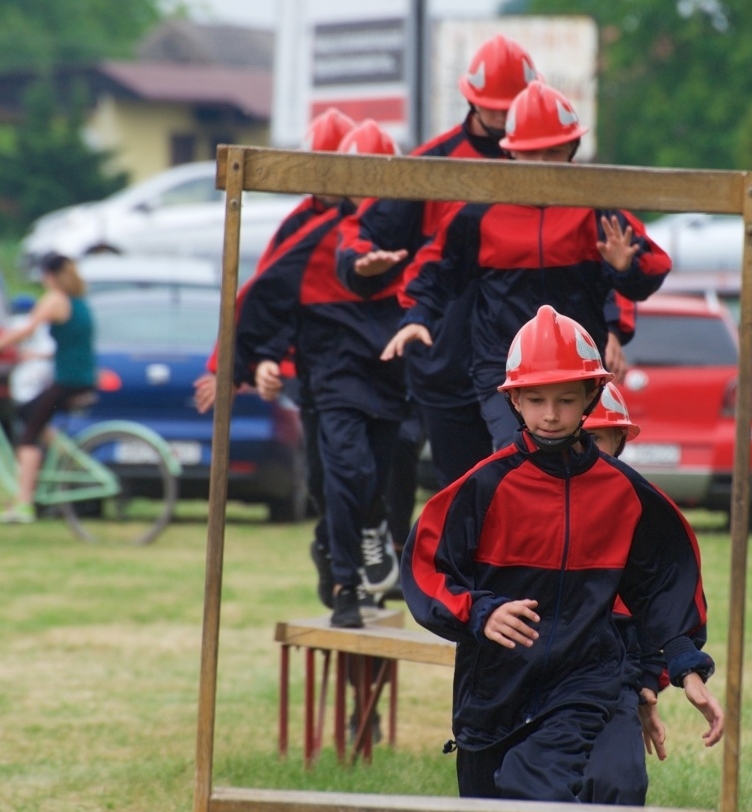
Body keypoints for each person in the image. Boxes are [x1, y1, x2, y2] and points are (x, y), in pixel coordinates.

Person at [403, 306, 724, 812]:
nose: (551, 414)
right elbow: (426, 569)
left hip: (583, 681)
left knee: (538, 793)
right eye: (537, 400)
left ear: (590, 398)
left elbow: (665, 582)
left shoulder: (626, 494)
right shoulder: (482, 487)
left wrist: (685, 665)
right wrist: (480, 610)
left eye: (567, 399)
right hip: (491, 689)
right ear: (515, 403)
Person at [383, 81, 672, 449]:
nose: (543, 166)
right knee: (519, 457)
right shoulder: (478, 212)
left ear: (572, 149)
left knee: (582, 468)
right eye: (532, 154)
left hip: (578, 371)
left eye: (553, 152)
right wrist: (417, 317)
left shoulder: (598, 210)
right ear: (510, 153)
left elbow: (654, 268)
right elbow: (434, 270)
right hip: (503, 368)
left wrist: (624, 268)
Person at [336, 34, 538, 491]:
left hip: (526, 364)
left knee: (528, 488)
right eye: (496, 111)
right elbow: (362, 230)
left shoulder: (551, 163)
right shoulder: (433, 164)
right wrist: (360, 264)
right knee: (462, 493)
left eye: (514, 110)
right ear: (471, 101)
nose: (506, 123)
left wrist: (611, 323)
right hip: (445, 365)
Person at [231, 119, 407, 628]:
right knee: (336, 476)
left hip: (388, 375)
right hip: (326, 374)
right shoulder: (307, 232)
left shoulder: (403, 229)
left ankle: (354, 561)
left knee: (367, 476)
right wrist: (261, 361)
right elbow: (265, 298)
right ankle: (340, 566)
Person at [576, 383, 670, 812]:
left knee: (621, 785)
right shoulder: (521, 496)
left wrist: (646, 685)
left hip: (612, 676)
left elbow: (657, 609)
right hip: (531, 678)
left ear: (620, 443)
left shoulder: (638, 514)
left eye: (599, 439)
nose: (586, 451)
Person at [0, 253, 94, 523]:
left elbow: (26, 329)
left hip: (68, 380)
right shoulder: (79, 301)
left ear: (47, 275)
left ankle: (25, 503)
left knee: (27, 436)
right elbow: (73, 345)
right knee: (32, 415)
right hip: (80, 376)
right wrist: (36, 357)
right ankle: (62, 460)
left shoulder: (55, 299)